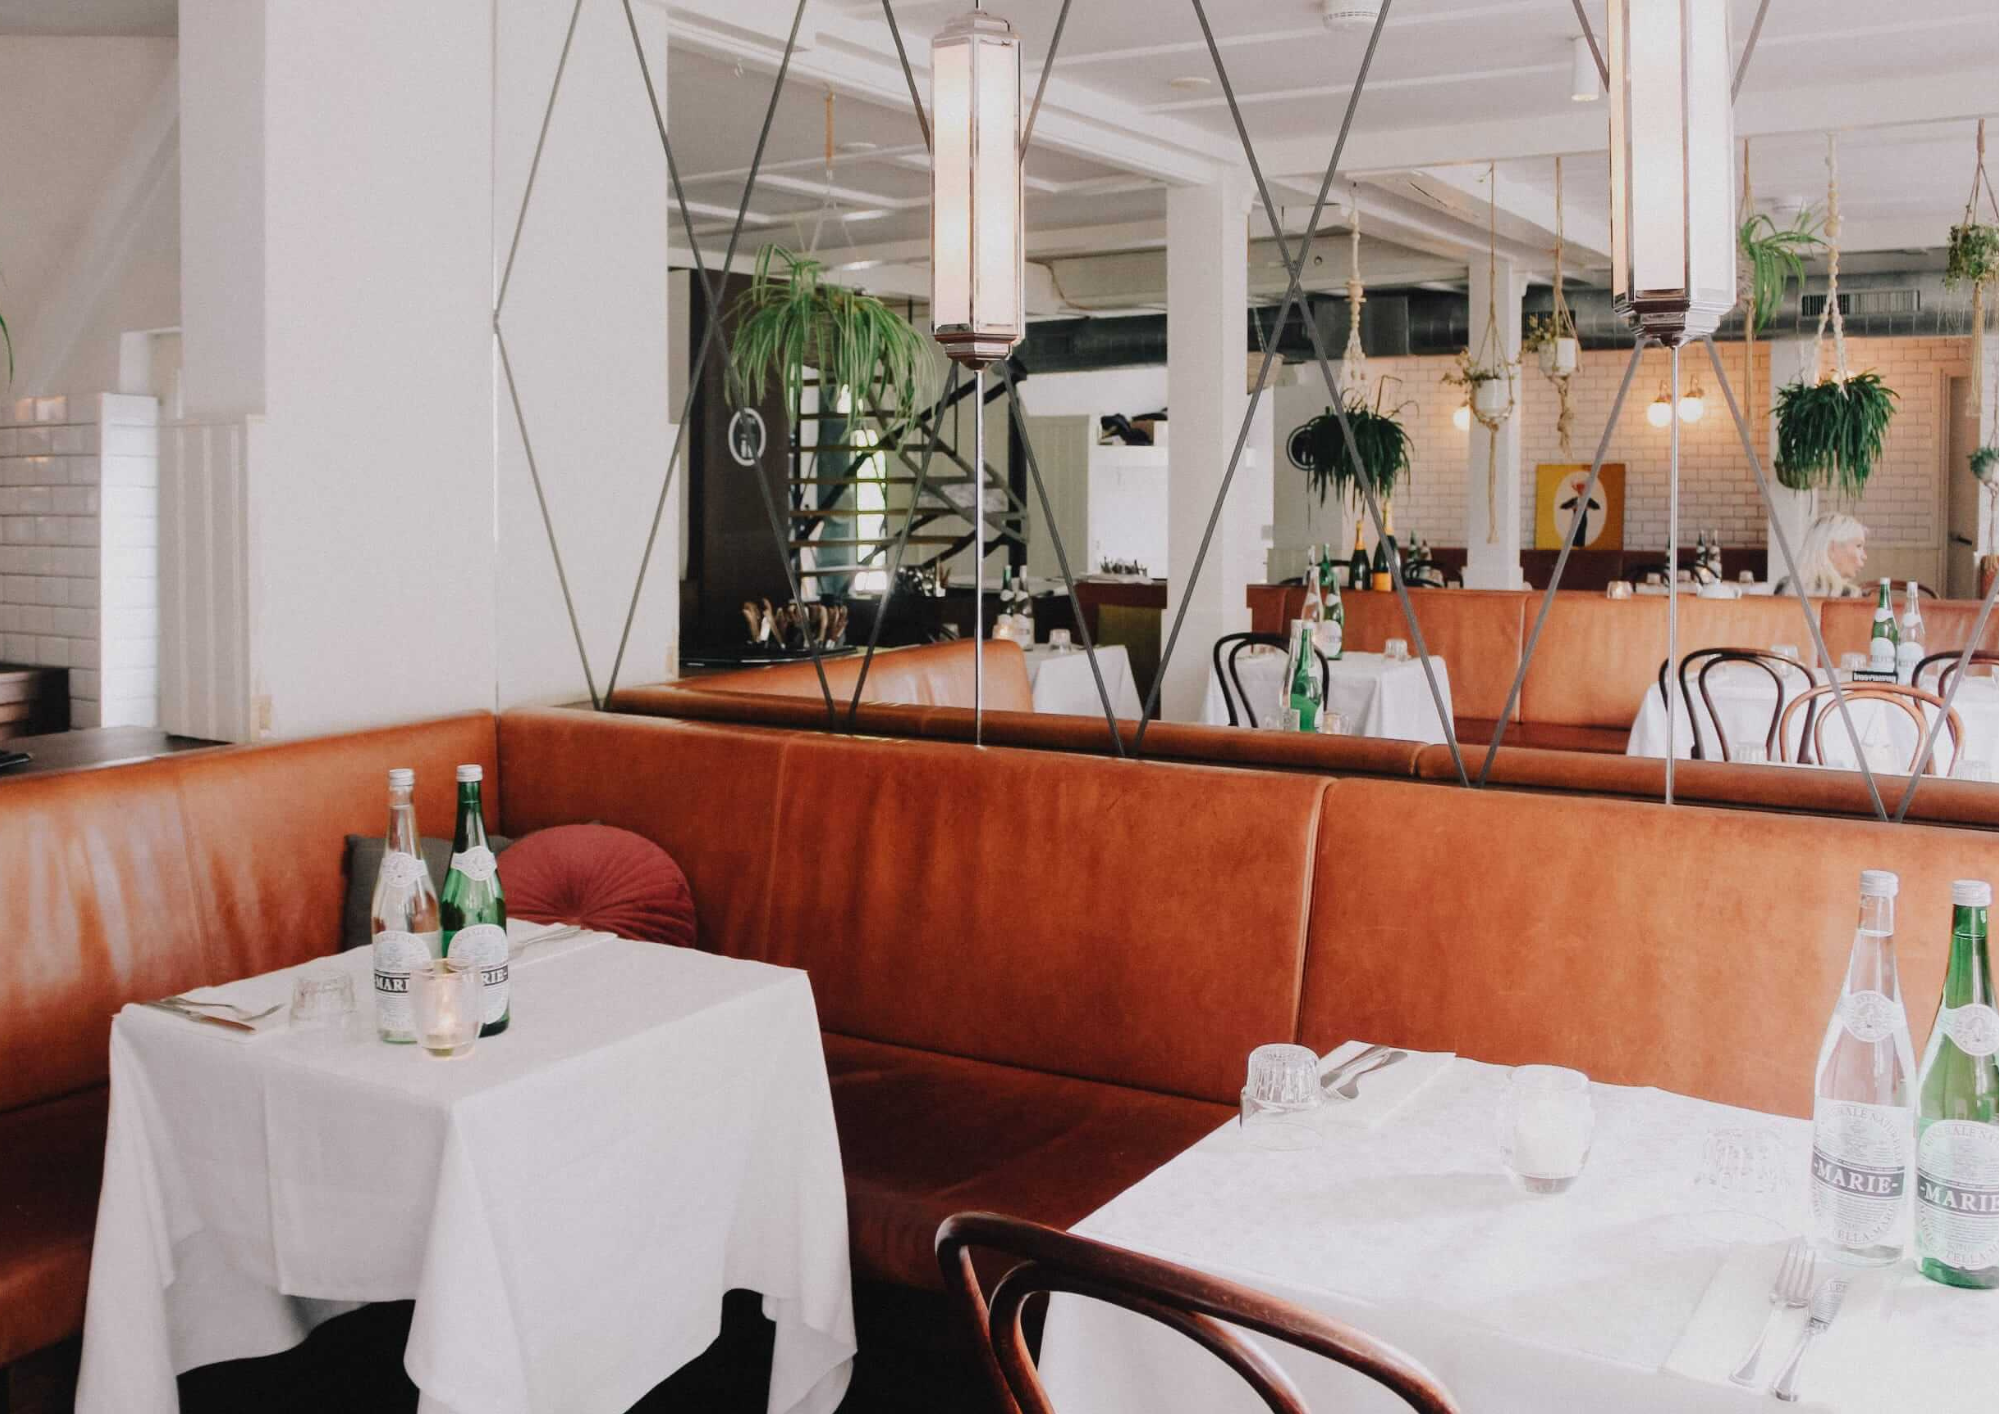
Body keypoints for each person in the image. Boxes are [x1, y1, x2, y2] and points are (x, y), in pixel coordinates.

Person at [1775, 513, 1868, 597]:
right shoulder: (1851, 595)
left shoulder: (1784, 587)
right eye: (1859, 546)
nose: (1864, 556)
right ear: (1833, 548)